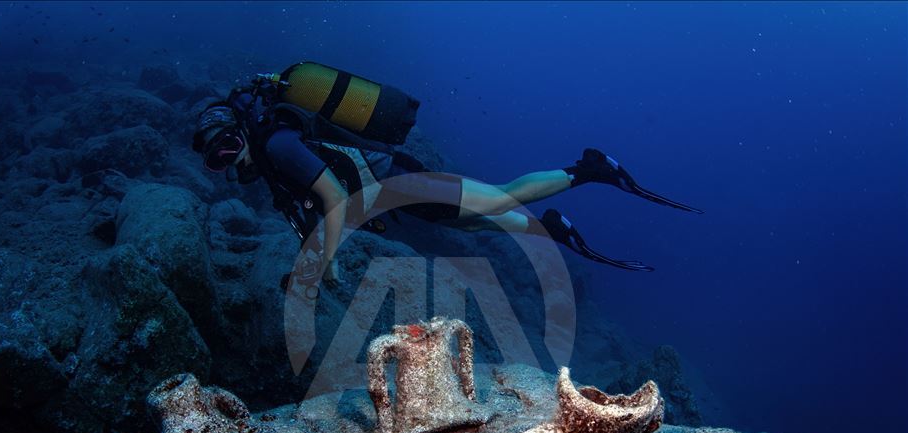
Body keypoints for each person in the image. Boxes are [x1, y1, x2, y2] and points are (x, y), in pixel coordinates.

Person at [193, 67, 701, 288]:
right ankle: (552, 228)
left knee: (498, 200)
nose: (230, 159)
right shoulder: (270, 155)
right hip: (393, 197)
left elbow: (329, 194)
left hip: (400, 184)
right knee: (467, 225)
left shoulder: (278, 145)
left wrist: (323, 263)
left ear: (242, 129)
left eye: (230, 144)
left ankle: (590, 168)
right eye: (218, 159)